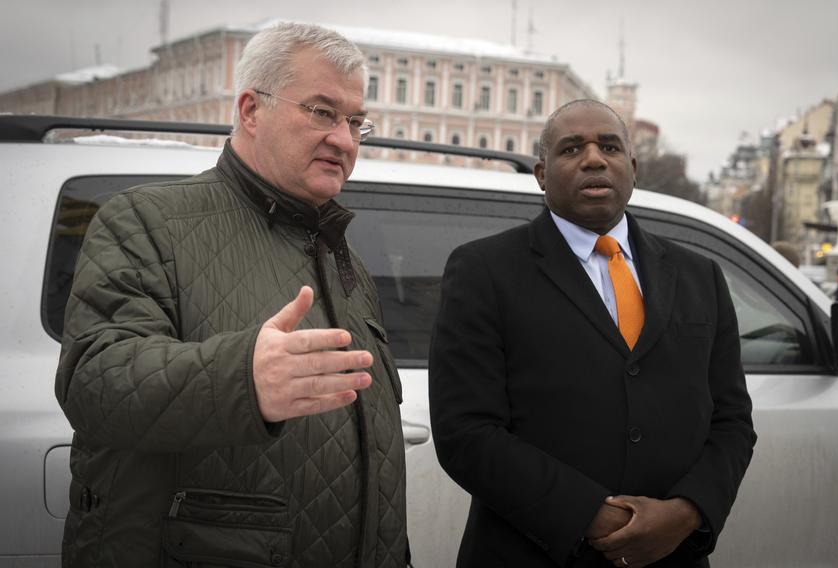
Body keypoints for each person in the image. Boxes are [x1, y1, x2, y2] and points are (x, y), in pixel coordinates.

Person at [54, 22, 408, 567]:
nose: (345, 139)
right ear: (250, 110)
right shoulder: (147, 220)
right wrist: (243, 376)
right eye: (322, 112)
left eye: (356, 121)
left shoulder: (342, 255)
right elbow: (93, 379)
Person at [429, 99, 756, 568]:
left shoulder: (699, 275)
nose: (594, 158)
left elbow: (732, 420)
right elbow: (466, 431)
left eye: (609, 146)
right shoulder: (484, 270)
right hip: (532, 553)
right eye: (571, 149)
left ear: (633, 167)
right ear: (542, 174)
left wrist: (686, 514)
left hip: (671, 555)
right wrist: (593, 518)